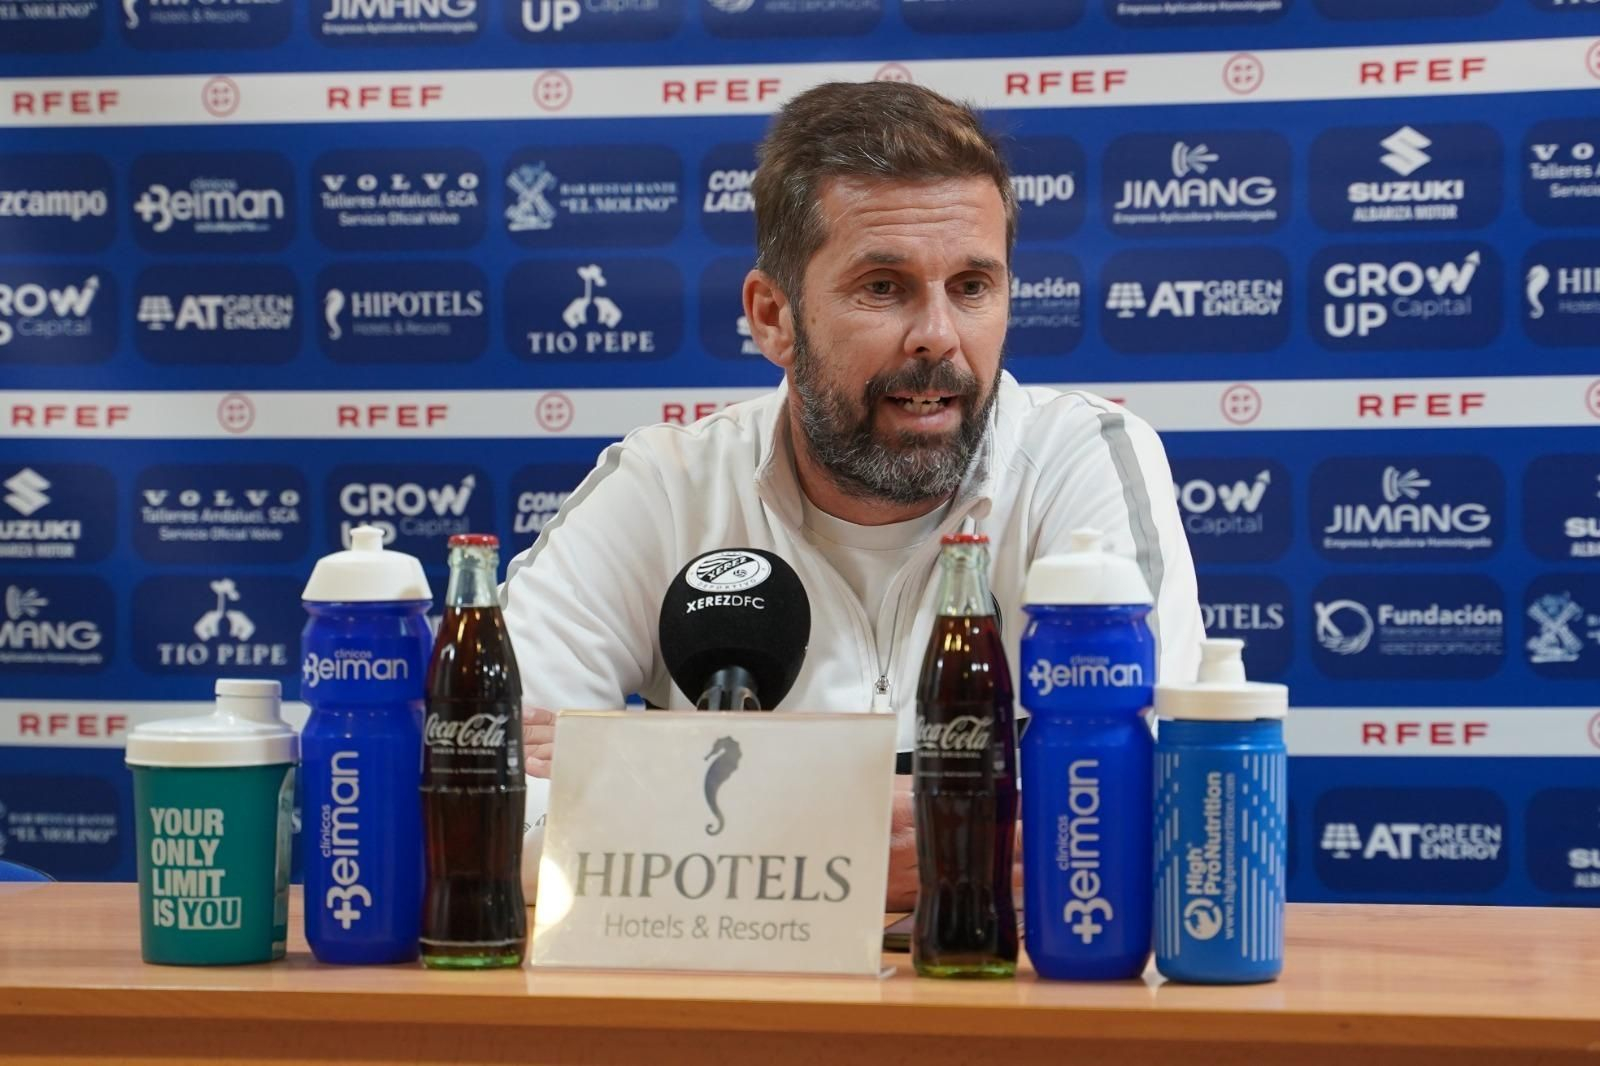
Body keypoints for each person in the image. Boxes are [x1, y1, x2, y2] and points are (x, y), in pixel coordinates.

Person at [502, 81, 1203, 910]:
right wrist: (865, 836)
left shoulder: (1082, 458)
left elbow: (1132, 812)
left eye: (972, 287)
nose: (939, 336)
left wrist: (676, 796)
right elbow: (489, 808)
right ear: (774, 317)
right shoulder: (665, 488)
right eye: (884, 288)